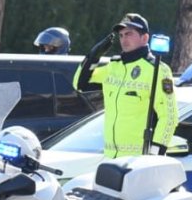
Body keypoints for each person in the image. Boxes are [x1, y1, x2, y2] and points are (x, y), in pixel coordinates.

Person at [73, 12, 178, 159]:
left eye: (129, 34)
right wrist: (94, 55)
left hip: (139, 161)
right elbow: (79, 84)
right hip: (109, 158)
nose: (124, 39)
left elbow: (169, 117)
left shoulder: (158, 70)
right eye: (121, 35)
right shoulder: (114, 66)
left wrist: (154, 156)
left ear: (145, 38)